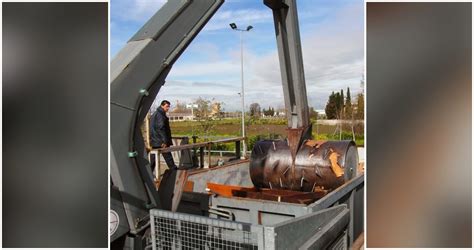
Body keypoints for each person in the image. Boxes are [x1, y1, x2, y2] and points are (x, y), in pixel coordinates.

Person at [150, 100, 177, 171]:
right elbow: (161, 128)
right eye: (167, 106)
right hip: (161, 141)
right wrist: (165, 141)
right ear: (162, 106)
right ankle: (174, 171)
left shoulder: (155, 114)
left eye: (169, 107)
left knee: (153, 159)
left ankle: (148, 174)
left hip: (155, 140)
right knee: (168, 157)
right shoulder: (160, 115)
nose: (168, 108)